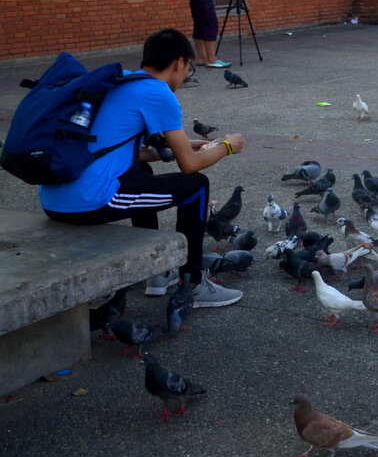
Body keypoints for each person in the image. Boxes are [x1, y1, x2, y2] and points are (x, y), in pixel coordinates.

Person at [39, 28, 245, 306]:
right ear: (178, 63)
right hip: (88, 201)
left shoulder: (119, 82)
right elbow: (190, 165)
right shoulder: (158, 92)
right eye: (189, 68)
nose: (186, 75)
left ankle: (157, 273)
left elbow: (120, 150)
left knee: (141, 172)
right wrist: (227, 146)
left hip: (54, 199)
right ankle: (192, 284)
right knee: (196, 185)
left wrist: (177, 147)